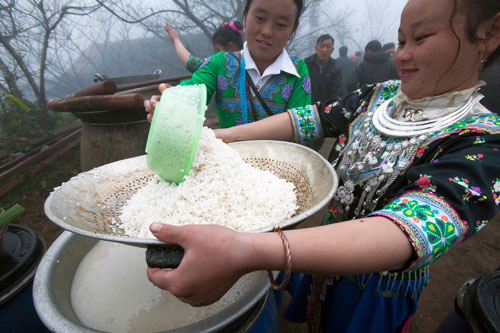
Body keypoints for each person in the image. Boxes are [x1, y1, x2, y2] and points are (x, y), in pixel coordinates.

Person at [146, 0, 500, 332]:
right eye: (402, 40)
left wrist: (245, 250)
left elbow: (412, 227)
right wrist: (220, 137)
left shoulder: (483, 140)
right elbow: (309, 117)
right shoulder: (380, 95)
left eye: (420, 38)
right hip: (319, 259)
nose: (402, 55)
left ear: (490, 32)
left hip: (377, 289)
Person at [146, 0, 311, 130]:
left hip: (279, 170)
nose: (267, 31)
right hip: (227, 170)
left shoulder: (298, 72)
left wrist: (224, 136)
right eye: (260, 18)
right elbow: (191, 96)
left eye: (281, 24)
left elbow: (301, 128)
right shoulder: (220, 63)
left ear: (293, 29)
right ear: (245, 15)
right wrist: (169, 105)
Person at [164, 21, 244, 73]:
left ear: (230, 46)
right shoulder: (251, 58)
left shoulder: (222, 63)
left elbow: (191, 63)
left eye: (219, 50)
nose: (217, 54)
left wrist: (176, 40)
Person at [304, 34, 343, 104]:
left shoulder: (335, 68)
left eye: (328, 47)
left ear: (332, 50)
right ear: (316, 48)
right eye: (322, 46)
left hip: (326, 109)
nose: (324, 50)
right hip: (307, 107)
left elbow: (336, 92)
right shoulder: (306, 64)